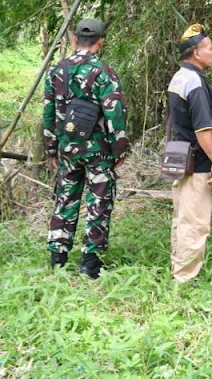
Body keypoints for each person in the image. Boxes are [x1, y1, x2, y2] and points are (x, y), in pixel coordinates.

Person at [43, 18, 129, 279]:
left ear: (74, 39)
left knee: (65, 199)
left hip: (67, 149)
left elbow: (48, 113)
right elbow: (115, 113)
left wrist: (51, 148)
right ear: (100, 42)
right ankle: (90, 264)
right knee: (98, 202)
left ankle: (58, 259)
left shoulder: (56, 70)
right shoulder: (104, 72)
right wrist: (119, 150)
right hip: (98, 151)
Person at [167, 24, 212, 283]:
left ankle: (180, 266)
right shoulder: (195, 82)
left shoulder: (179, 76)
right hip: (196, 161)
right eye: (210, 48)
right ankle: (185, 277)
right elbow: (202, 128)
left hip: (181, 157)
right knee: (195, 221)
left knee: (182, 217)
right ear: (197, 53)